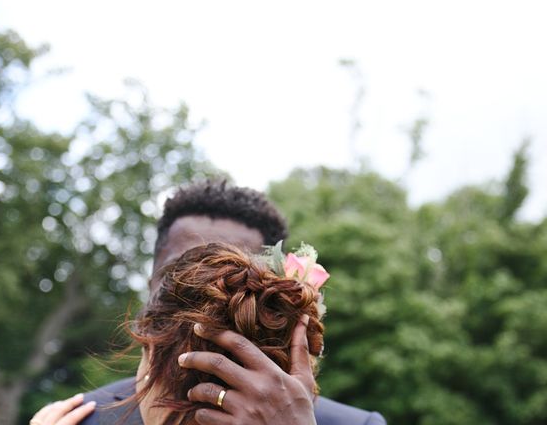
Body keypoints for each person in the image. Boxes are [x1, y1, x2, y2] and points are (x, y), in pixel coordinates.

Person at [29, 180, 386, 425]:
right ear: (151, 283)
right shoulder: (82, 418)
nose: (205, 283)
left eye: (234, 272)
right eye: (180, 273)